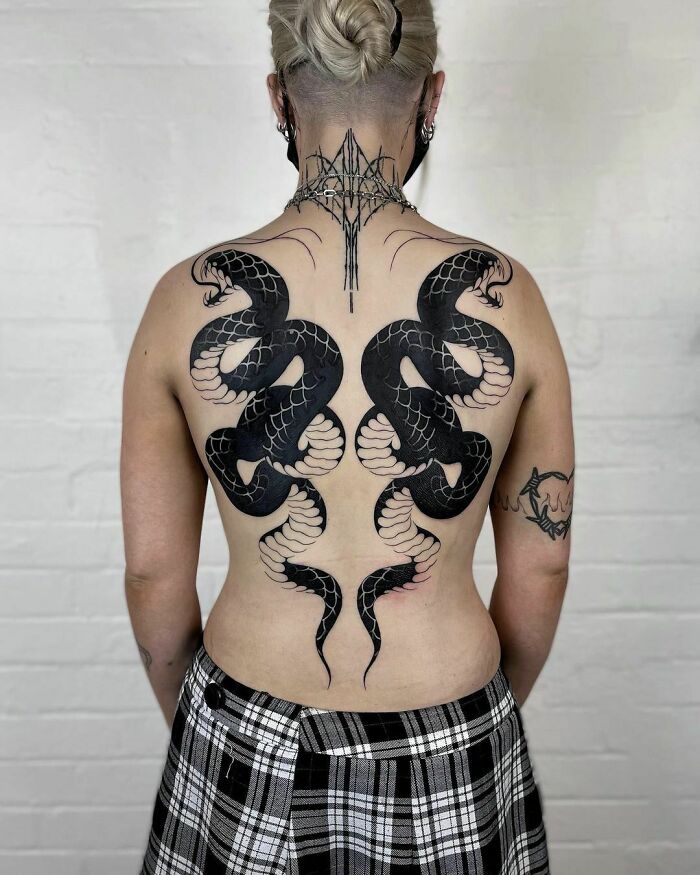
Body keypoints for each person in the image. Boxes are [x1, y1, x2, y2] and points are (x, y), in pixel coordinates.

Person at [121, 1, 574, 872]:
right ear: (431, 97)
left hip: (246, 727)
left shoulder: (183, 300)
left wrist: (210, 730)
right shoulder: (512, 297)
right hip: (454, 727)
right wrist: (479, 718)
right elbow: (542, 566)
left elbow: (152, 575)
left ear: (278, 98)